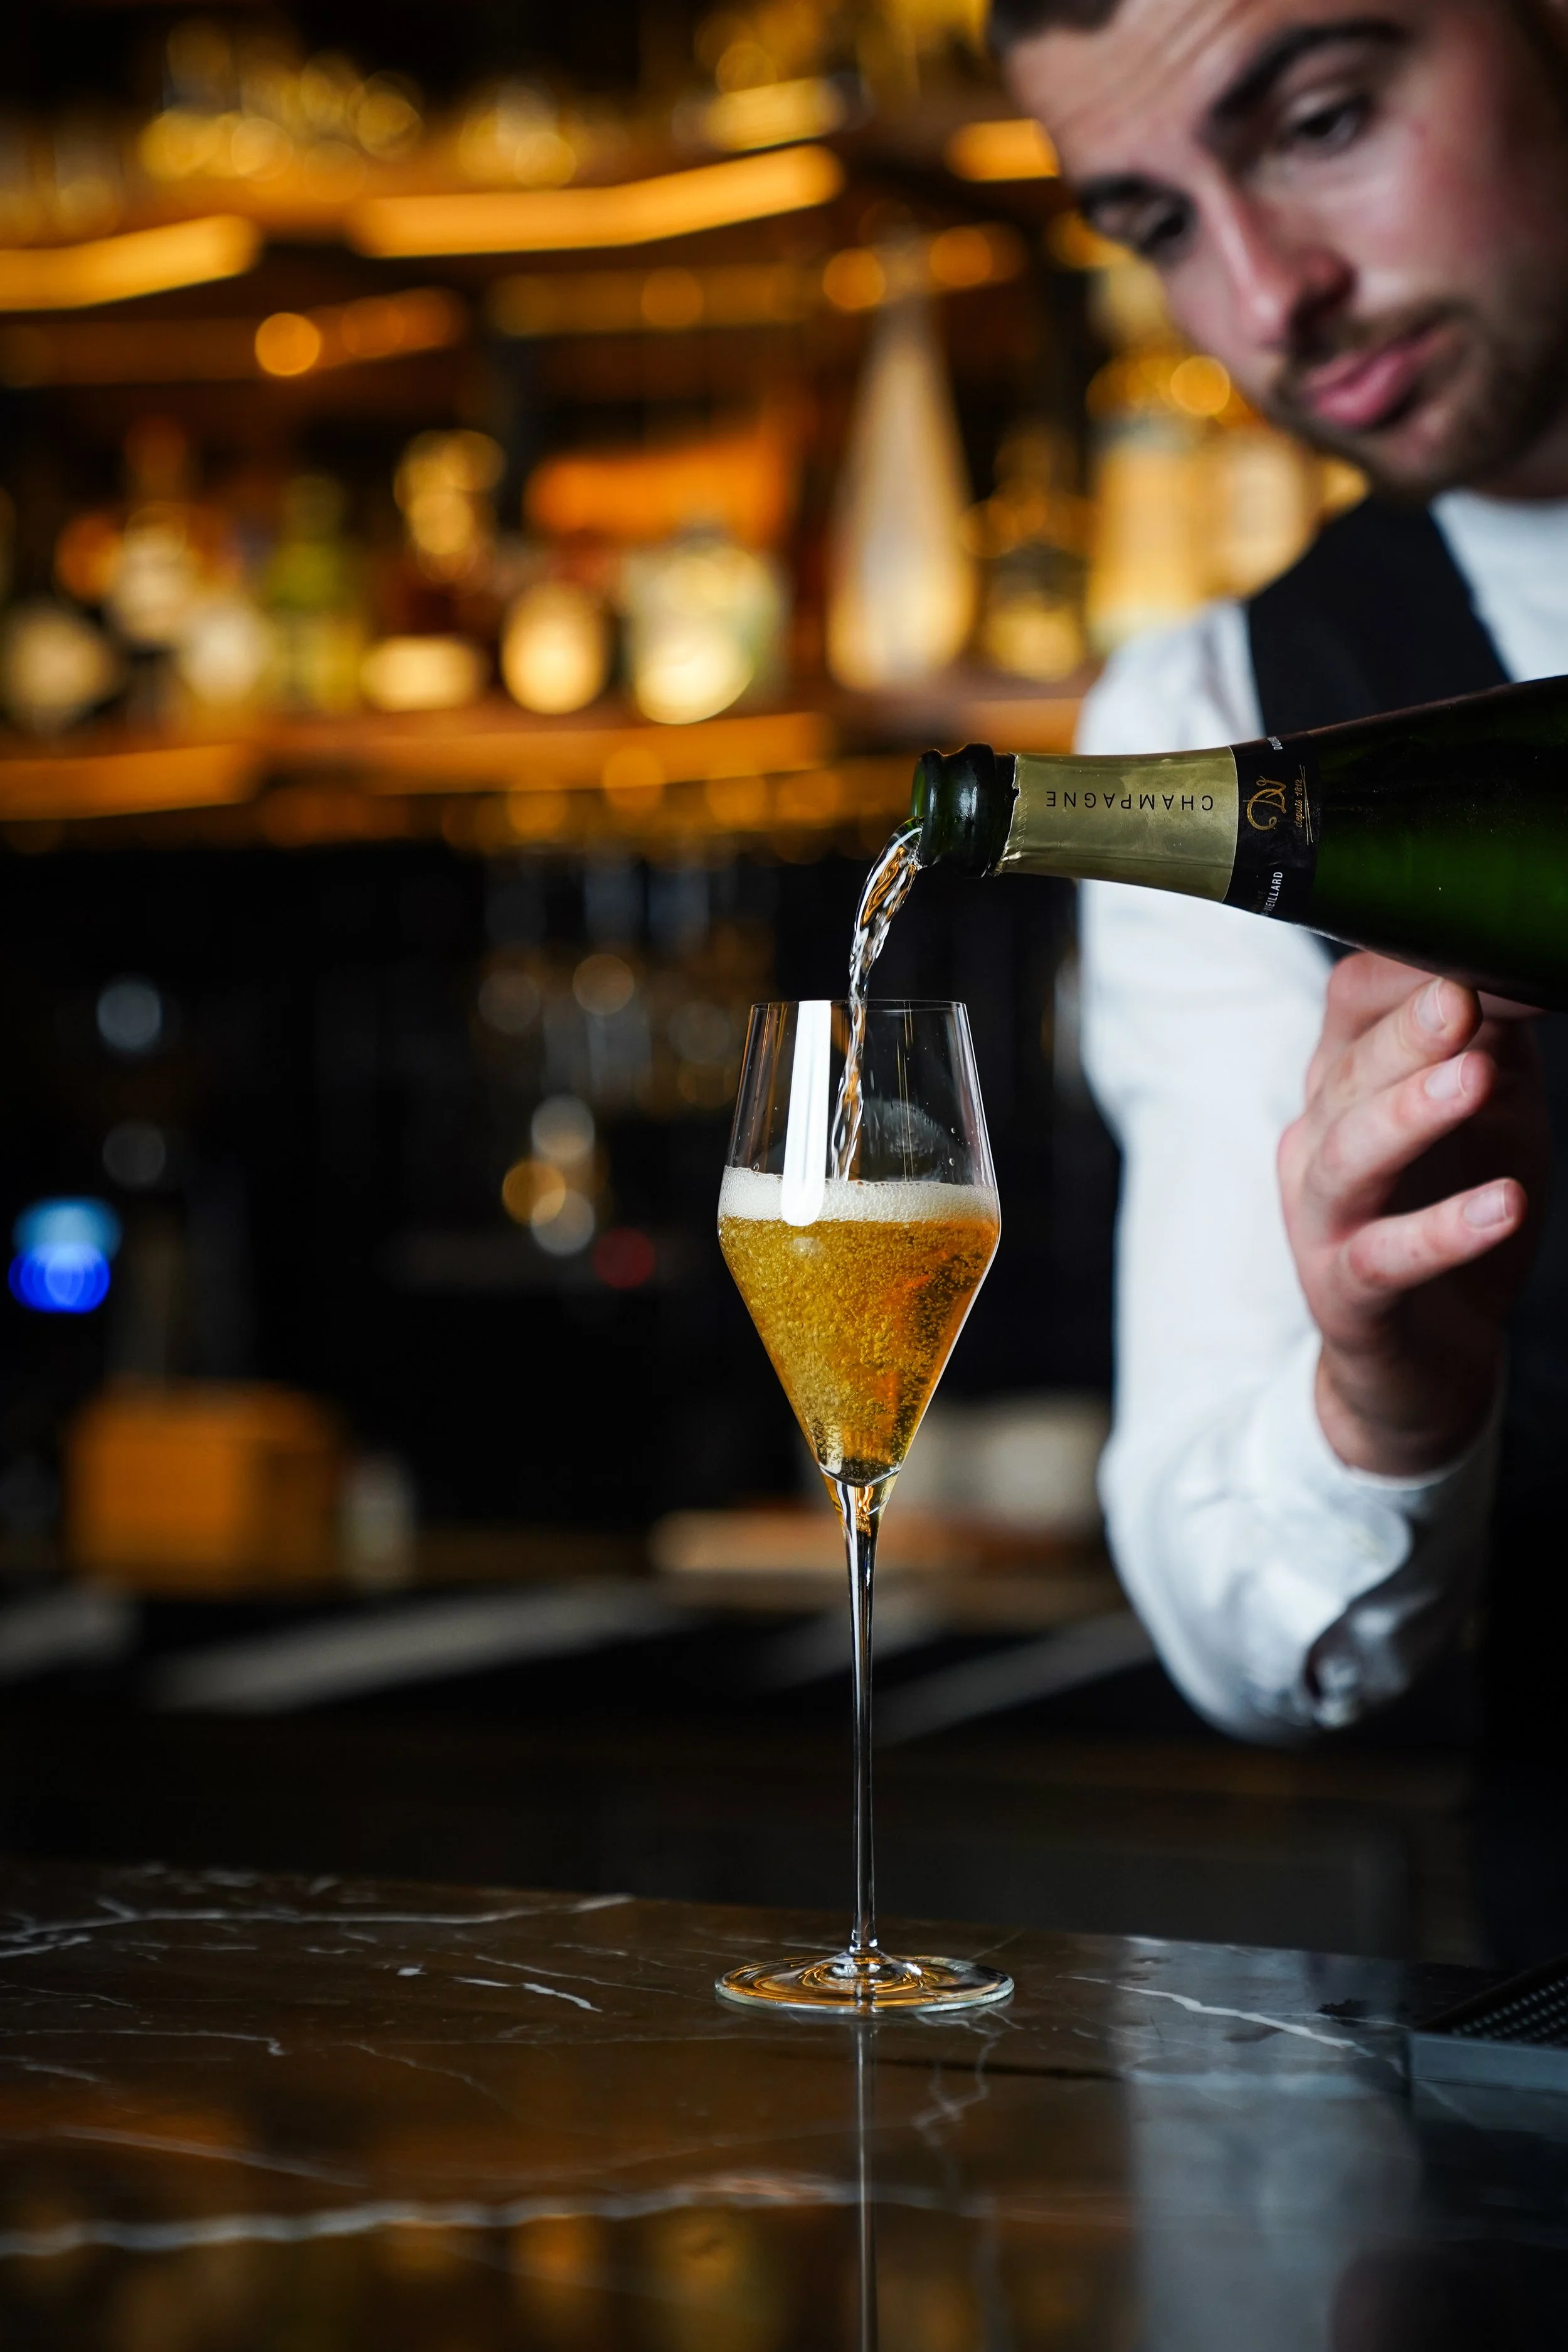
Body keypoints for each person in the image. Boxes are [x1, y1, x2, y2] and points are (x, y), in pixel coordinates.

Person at [992, 0, 1568, 1928]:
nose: (1262, 305)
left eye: (1319, 119)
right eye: (1155, 225)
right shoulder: (1220, 718)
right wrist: (1379, 1400)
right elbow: (1239, 1615)